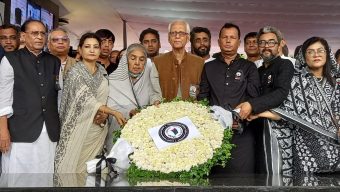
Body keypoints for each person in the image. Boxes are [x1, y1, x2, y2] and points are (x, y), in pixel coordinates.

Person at [251, 37, 340, 174]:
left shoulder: (336, 83)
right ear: (304, 57)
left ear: (327, 54)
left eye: (320, 50)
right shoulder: (294, 82)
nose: (316, 54)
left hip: (336, 148)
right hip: (305, 150)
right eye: (310, 52)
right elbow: (285, 113)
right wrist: (257, 111)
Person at [54, 32, 126, 173]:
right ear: (80, 50)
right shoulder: (75, 72)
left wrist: (105, 114)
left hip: (97, 129)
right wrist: (112, 112)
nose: (92, 50)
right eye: (87, 46)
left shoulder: (102, 71)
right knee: (73, 169)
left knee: (92, 172)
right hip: (77, 128)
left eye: (96, 47)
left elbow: (106, 96)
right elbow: (85, 98)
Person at [198, 23, 260, 174]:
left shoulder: (249, 67)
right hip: (214, 132)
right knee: (214, 177)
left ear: (239, 42)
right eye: (224, 37)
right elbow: (203, 98)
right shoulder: (208, 67)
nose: (228, 40)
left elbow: (254, 97)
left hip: (242, 132)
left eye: (232, 37)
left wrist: (236, 119)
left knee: (242, 179)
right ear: (218, 41)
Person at [0, 19, 60, 173]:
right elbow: (3, 98)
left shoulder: (54, 62)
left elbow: (58, 95)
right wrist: (3, 131)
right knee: (18, 176)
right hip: (20, 130)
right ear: (23, 36)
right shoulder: (10, 59)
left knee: (46, 174)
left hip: (50, 131)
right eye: (34, 33)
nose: (39, 37)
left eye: (42, 33)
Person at [237, 26, 295, 174]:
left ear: (280, 44)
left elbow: (281, 93)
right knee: (260, 173)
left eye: (271, 42)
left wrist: (251, 104)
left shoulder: (285, 65)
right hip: (258, 129)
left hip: (278, 132)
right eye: (262, 43)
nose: (266, 46)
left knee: (275, 175)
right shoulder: (259, 70)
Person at [106, 43, 162, 150]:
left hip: (143, 132)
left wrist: (156, 102)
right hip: (118, 132)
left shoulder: (148, 76)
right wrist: (129, 112)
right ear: (126, 60)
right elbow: (109, 108)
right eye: (133, 58)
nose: (137, 63)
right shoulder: (113, 81)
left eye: (141, 60)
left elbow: (154, 94)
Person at [152, 20, 204, 101]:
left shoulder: (199, 62)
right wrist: (156, 102)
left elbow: (203, 92)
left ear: (188, 38)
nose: (177, 36)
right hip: (165, 111)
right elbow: (154, 91)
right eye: (173, 33)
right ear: (169, 38)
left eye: (181, 33)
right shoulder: (158, 61)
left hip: (191, 111)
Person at [47, 28, 77, 108]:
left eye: (64, 39)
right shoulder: (40, 64)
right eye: (55, 40)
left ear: (69, 43)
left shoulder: (79, 65)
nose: (60, 42)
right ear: (48, 44)